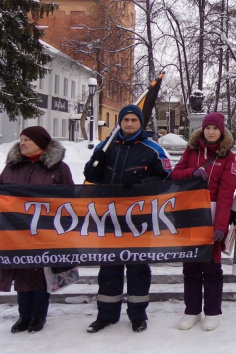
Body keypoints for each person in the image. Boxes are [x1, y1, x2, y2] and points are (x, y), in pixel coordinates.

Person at [0, 126, 73, 333]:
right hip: (16, 232)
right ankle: (23, 316)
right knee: (20, 271)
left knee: (40, 273)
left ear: (41, 143)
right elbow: (1, 191)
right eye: (21, 139)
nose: (23, 143)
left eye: (28, 139)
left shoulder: (59, 169)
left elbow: (71, 198)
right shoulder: (12, 167)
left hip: (46, 231)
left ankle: (38, 315)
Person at [83, 104, 172, 334]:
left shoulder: (152, 149)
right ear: (120, 122)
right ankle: (106, 315)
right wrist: (98, 159)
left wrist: (143, 184)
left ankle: (137, 315)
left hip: (139, 222)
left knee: (137, 268)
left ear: (140, 123)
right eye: (126, 120)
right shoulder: (107, 145)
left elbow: (166, 179)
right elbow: (90, 176)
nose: (130, 124)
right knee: (109, 268)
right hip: (109, 219)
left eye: (134, 120)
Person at [169, 112, 236, 332]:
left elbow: (227, 194)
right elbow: (174, 175)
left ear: (221, 131)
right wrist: (192, 172)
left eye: (215, 129)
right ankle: (192, 310)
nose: (210, 132)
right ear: (203, 129)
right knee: (190, 266)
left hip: (213, 216)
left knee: (211, 267)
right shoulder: (192, 151)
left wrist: (221, 226)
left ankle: (212, 311)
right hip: (190, 216)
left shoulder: (228, 157)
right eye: (208, 128)